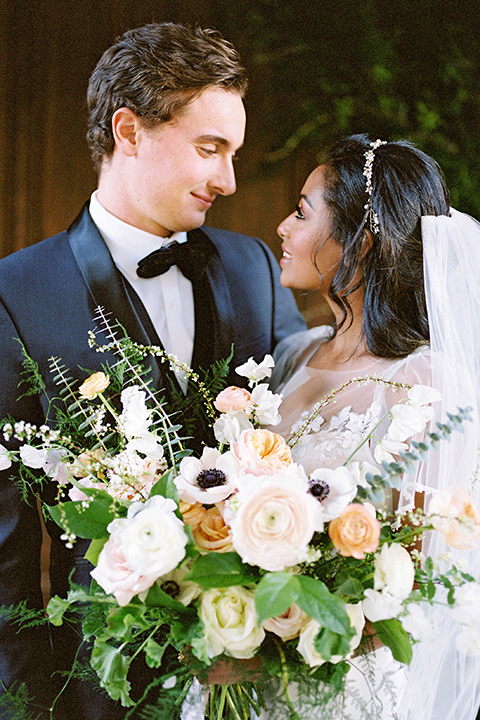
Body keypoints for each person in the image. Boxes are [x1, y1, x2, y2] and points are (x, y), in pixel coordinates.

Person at [0, 22, 305, 720]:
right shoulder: (15, 295)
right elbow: (5, 561)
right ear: (129, 131)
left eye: (233, 153)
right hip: (102, 692)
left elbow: (305, 435)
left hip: (259, 683)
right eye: (209, 149)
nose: (227, 180)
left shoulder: (253, 267)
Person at [264, 134, 480, 719]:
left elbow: (419, 585)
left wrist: (275, 646)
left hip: (341, 689)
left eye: (303, 212)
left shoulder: (424, 384)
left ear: (361, 240)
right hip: (236, 679)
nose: (283, 227)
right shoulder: (293, 356)